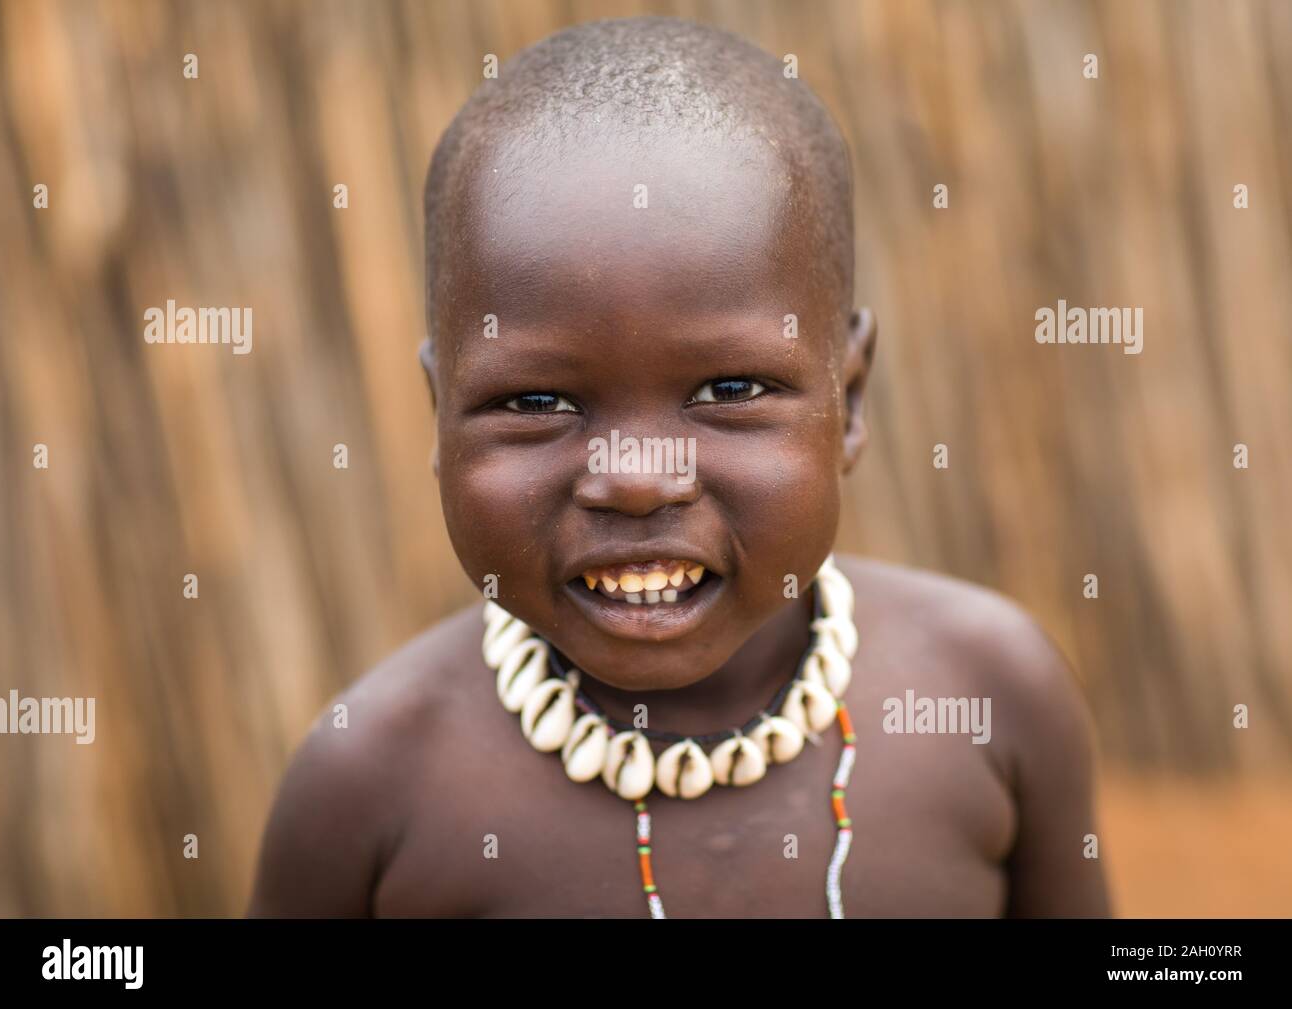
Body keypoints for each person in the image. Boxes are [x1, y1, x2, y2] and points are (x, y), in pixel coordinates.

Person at [248, 16, 1111, 918]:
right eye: (537, 403)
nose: (634, 477)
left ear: (848, 401)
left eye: (730, 387)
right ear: (440, 416)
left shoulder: (992, 695)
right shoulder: (369, 786)